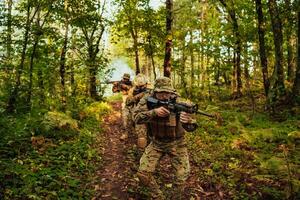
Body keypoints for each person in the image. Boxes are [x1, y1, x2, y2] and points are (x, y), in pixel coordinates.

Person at [133, 77, 198, 199]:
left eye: (167, 93)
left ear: (171, 92)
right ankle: (159, 197)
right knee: (143, 174)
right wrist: (153, 112)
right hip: (157, 143)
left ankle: (174, 197)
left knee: (181, 177)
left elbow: (191, 127)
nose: (164, 96)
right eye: (161, 93)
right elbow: (136, 118)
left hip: (177, 143)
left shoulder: (179, 102)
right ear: (155, 91)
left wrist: (189, 121)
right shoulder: (146, 99)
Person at [120, 74, 149, 149]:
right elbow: (128, 102)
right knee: (126, 116)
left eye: (142, 86)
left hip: (148, 112)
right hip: (137, 111)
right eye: (138, 86)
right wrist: (136, 97)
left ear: (146, 84)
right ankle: (126, 132)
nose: (141, 87)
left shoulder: (150, 89)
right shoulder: (133, 90)